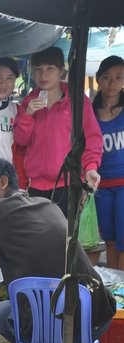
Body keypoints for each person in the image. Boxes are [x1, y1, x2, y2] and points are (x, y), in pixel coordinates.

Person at [0, 156, 115, 343]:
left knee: (4, 314)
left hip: (51, 328)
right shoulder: (48, 204)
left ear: (2, 182)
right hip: (95, 319)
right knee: (33, 312)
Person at [13, 46, 103, 216]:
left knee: (63, 239)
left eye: (50, 69)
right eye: (38, 69)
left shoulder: (76, 100)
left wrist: (91, 167)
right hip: (35, 187)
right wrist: (27, 116)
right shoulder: (28, 101)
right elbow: (21, 140)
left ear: (61, 70)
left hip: (67, 184)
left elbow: (91, 139)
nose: (43, 75)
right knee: (38, 239)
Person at [92, 55, 124, 270]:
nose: (112, 83)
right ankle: (114, 293)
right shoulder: (89, 113)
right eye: (106, 77)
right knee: (110, 241)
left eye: (118, 77)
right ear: (98, 79)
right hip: (100, 187)